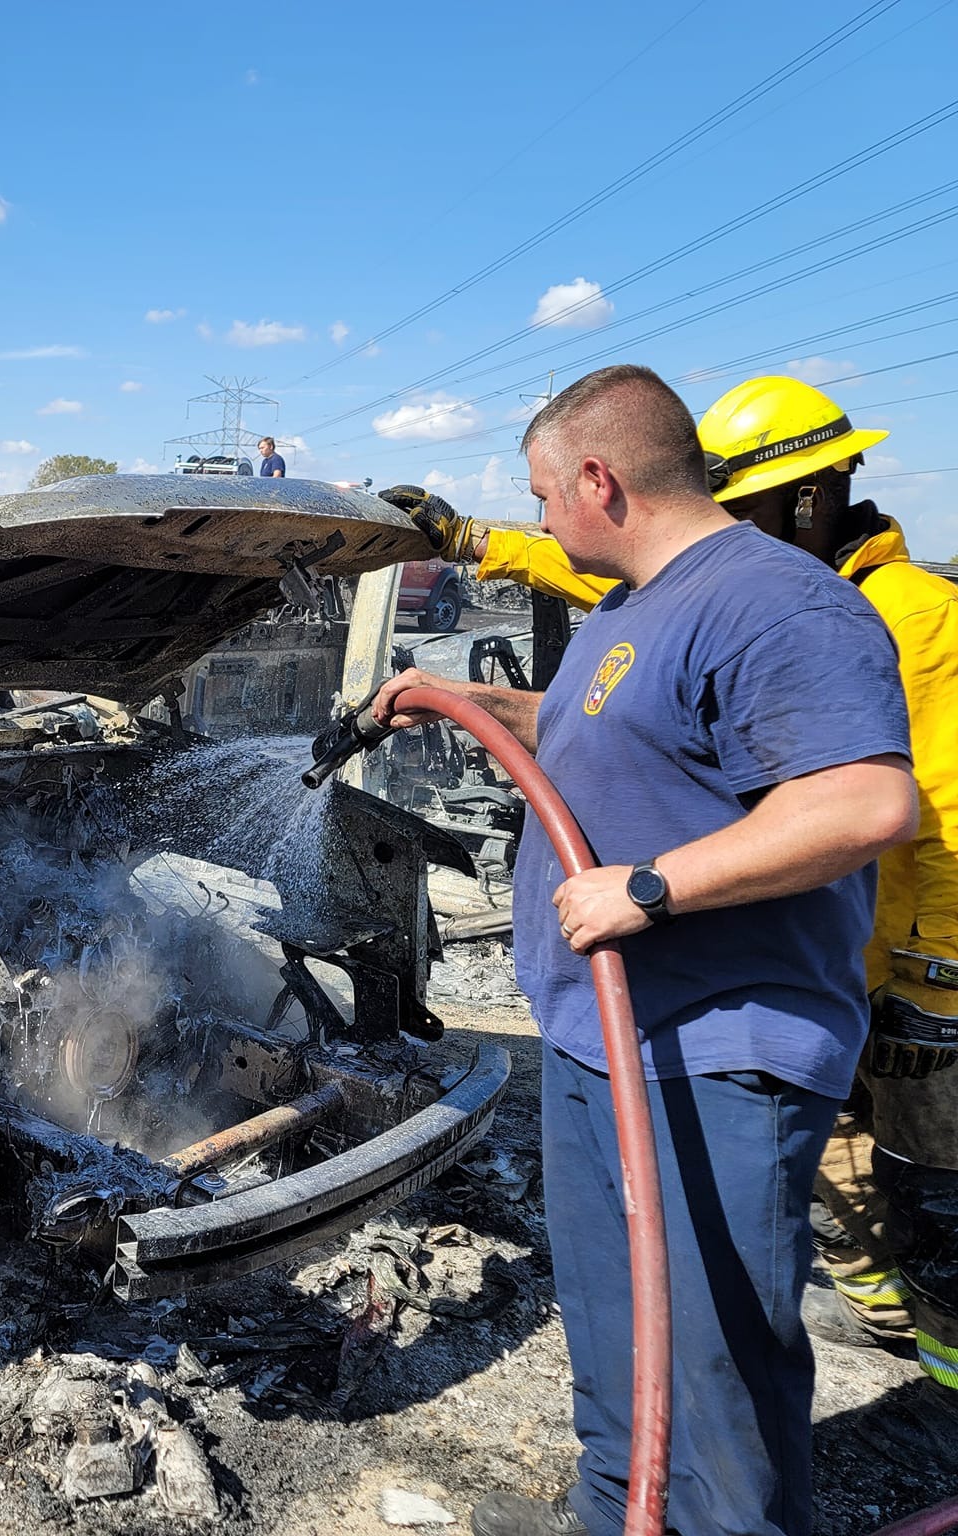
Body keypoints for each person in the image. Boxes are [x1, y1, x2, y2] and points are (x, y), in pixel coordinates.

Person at [371, 364, 917, 1536]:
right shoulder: (633, 603)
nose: (535, 523)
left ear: (596, 479)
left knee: (711, 1374)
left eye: (537, 497)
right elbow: (609, 731)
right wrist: (459, 702)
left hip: (713, 1046)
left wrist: (653, 889)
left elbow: (861, 805)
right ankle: (613, 1517)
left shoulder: (776, 603)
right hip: (601, 1042)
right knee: (620, 1350)